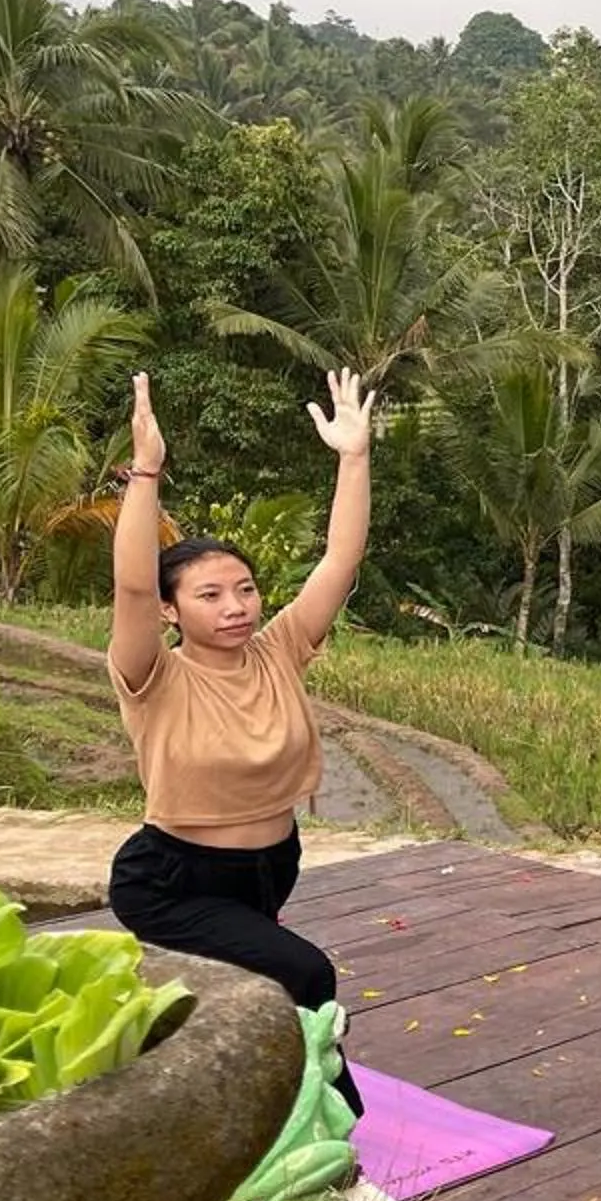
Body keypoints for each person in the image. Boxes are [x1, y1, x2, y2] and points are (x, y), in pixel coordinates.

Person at [106, 367, 375, 1114]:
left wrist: (353, 457)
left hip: (270, 864)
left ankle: (210, 1089)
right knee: (306, 974)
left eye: (246, 589)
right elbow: (129, 586)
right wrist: (147, 470)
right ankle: (336, 1110)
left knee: (249, 987)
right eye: (210, 594)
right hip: (174, 876)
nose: (236, 607)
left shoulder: (281, 647)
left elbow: (339, 561)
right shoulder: (151, 676)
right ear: (169, 611)